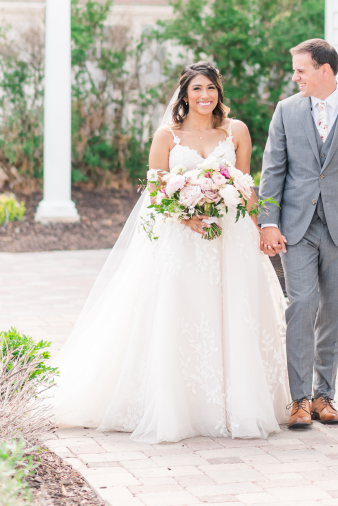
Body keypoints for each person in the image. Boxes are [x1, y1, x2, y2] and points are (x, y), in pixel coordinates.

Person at [53, 62, 289, 443]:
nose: (205, 95)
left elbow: (246, 187)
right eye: (197, 89)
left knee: (233, 312)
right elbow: (156, 192)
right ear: (185, 95)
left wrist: (258, 229)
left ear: (219, 93)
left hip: (230, 240)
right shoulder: (167, 136)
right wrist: (187, 217)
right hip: (182, 240)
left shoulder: (237, 131)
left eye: (211, 88)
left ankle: (237, 404)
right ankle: (181, 406)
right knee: (183, 312)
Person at [259, 39, 338, 429]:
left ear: (324, 70)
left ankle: (323, 397)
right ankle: (298, 400)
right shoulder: (286, 111)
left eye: (301, 70)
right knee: (301, 305)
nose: (295, 77)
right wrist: (268, 221)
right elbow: (272, 170)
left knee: (333, 311)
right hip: (296, 228)